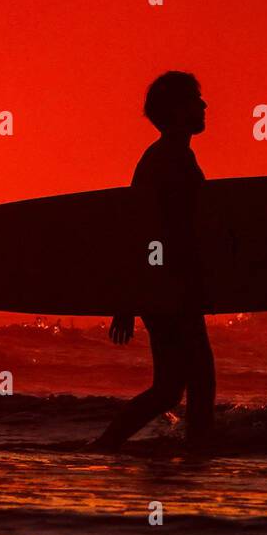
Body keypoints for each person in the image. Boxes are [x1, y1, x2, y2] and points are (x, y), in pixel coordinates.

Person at [91, 71, 214, 450]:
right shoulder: (164, 159)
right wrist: (131, 298)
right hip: (168, 285)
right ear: (178, 110)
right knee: (200, 379)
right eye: (196, 99)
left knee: (169, 389)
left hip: (170, 284)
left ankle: (105, 446)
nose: (205, 105)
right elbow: (141, 227)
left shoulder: (174, 155)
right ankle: (197, 454)